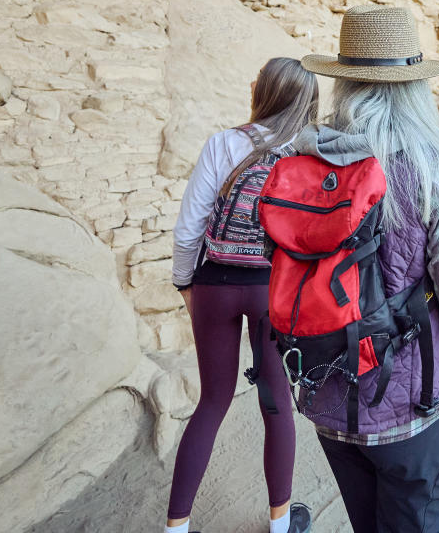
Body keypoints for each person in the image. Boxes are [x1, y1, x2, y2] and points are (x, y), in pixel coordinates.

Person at [295, 3, 439, 533]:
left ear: (344, 82)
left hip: (328, 395)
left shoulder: (302, 163)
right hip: (409, 408)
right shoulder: (433, 173)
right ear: (415, 87)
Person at [165, 57, 318, 533]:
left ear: (261, 91)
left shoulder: (224, 143)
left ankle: (175, 528)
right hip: (274, 291)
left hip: (215, 283)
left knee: (212, 401)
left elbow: (189, 228)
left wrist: (185, 284)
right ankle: (279, 524)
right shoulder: (310, 154)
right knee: (276, 403)